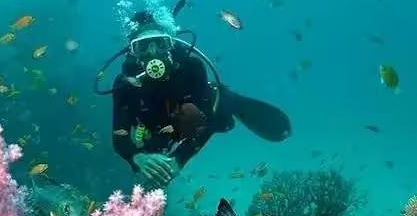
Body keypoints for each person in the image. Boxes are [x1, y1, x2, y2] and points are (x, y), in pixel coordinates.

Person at [104, 11, 292, 189]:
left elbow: (207, 121)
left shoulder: (191, 67)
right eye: (142, 46)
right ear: (133, 52)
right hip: (158, 122)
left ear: (171, 45)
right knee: (155, 146)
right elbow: (119, 135)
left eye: (160, 43)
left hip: (194, 110)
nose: (153, 52)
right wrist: (137, 159)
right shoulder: (124, 85)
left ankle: (230, 100)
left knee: (220, 114)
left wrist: (179, 160)